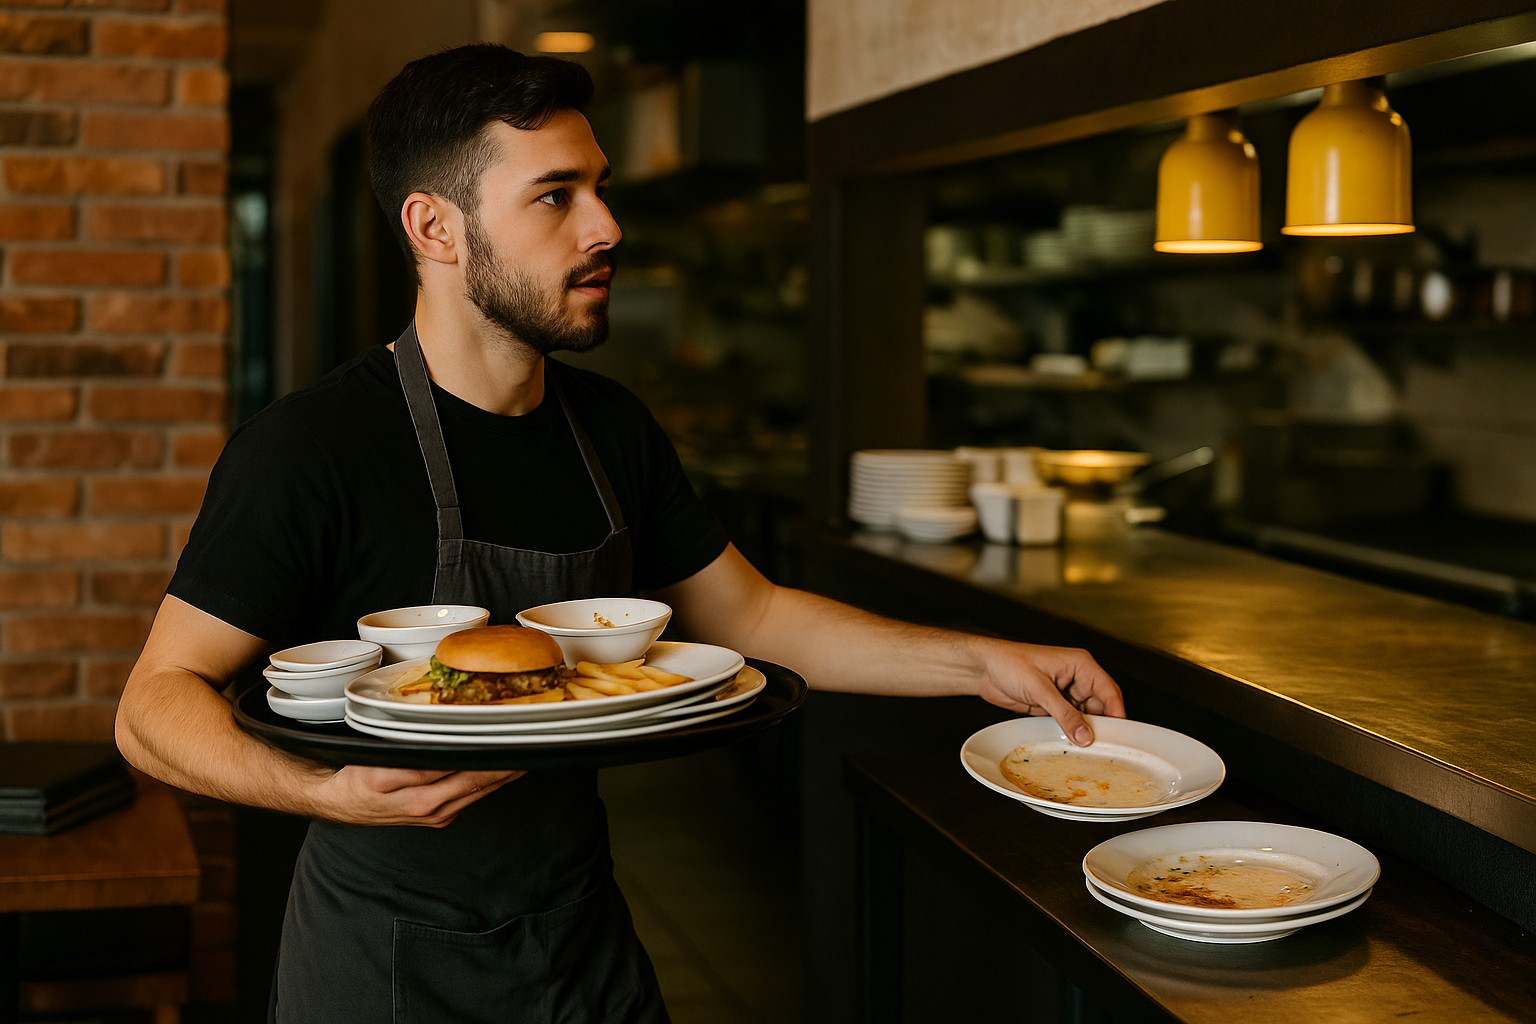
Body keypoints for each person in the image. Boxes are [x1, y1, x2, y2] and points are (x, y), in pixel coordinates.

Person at [115, 44, 1124, 1023]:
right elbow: (154, 705)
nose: (605, 225)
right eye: (555, 195)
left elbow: (754, 615)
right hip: (385, 958)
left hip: (579, 944)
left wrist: (984, 661)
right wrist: (331, 793)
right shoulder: (313, 446)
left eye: (598, 188)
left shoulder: (610, 429)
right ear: (436, 228)